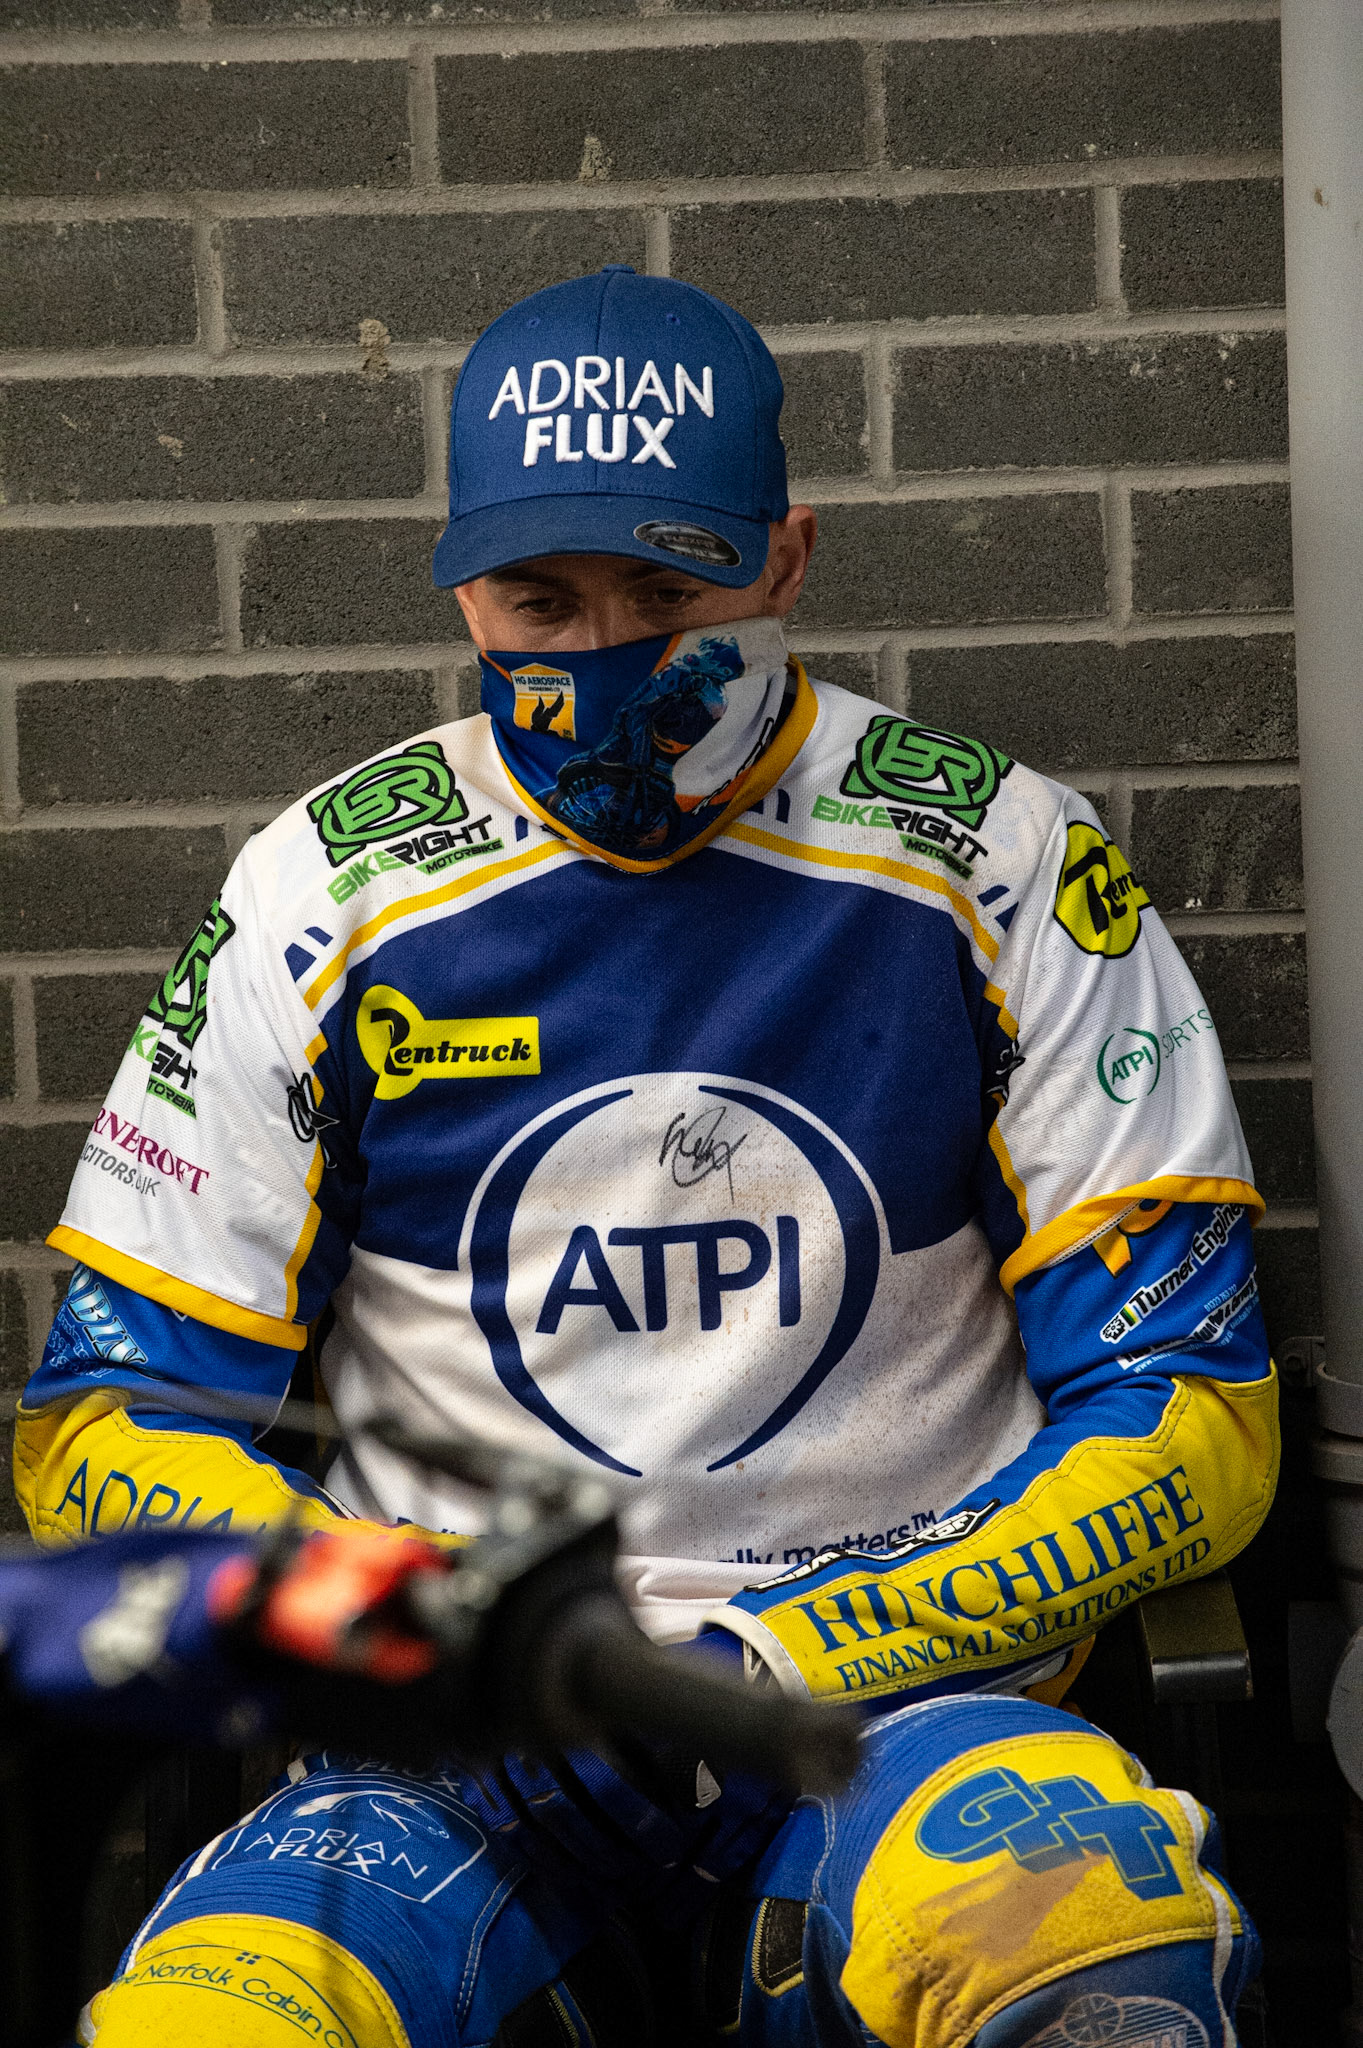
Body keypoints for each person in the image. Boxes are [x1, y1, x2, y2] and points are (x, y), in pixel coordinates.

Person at [17, 266, 1275, 2047]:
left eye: (668, 589)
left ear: (789, 557)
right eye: (541, 597)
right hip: (446, 1744)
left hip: (905, 1707)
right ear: (462, 584)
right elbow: (105, 1429)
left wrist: (776, 1661)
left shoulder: (998, 864)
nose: (605, 652)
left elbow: (1198, 1421)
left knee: (1088, 1963)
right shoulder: (327, 891)